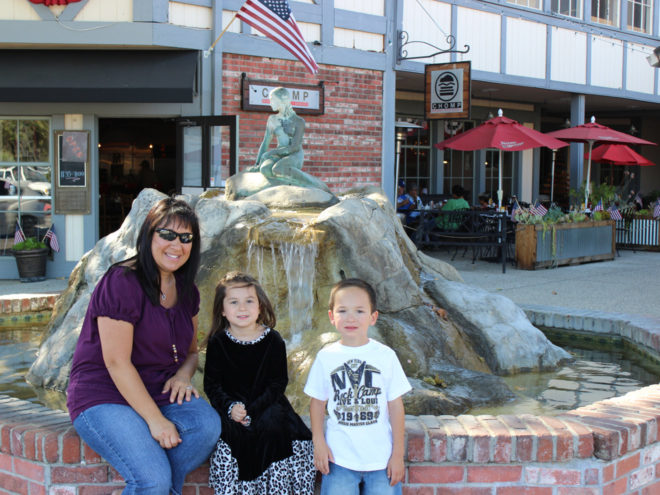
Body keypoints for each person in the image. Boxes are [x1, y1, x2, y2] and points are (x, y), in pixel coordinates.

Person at [67, 197, 221, 495]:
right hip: (104, 393)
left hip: (158, 389)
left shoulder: (187, 290)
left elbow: (190, 353)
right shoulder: (122, 281)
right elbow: (116, 363)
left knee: (206, 426)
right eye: (167, 235)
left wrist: (183, 376)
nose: (176, 245)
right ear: (148, 235)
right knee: (152, 480)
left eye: (186, 238)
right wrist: (156, 421)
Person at [204, 272, 315, 494]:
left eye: (249, 301)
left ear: (260, 307)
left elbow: (277, 383)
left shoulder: (273, 340)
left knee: (275, 428)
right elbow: (212, 385)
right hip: (232, 407)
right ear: (223, 310)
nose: (242, 308)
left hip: (267, 404)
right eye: (234, 302)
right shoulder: (218, 343)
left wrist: (251, 411)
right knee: (229, 438)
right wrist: (230, 408)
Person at [304, 278, 412, 495]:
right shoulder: (326, 357)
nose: (351, 318)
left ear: (373, 317)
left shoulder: (385, 356)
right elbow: (316, 404)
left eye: (360, 311)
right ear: (331, 317)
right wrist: (319, 443)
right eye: (342, 310)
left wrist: (397, 454)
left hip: (381, 460)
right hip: (339, 459)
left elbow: (396, 406)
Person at [248, 87, 328, 191]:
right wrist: (257, 164)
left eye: (272, 99)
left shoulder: (298, 121)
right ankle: (282, 189)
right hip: (279, 154)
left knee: (278, 169)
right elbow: (265, 142)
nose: (270, 103)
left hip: (294, 155)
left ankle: (315, 185)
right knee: (265, 169)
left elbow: (294, 147)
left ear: (282, 101)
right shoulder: (272, 119)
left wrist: (270, 152)